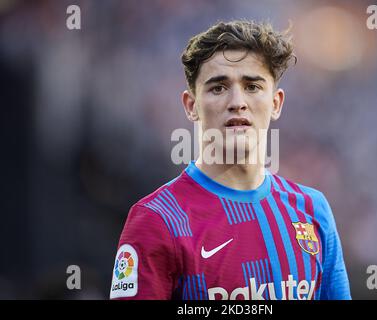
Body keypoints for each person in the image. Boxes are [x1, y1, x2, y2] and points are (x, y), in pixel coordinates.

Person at [109, 20, 351, 300]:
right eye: (218, 88)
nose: (237, 101)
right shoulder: (156, 219)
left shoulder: (313, 211)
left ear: (276, 103)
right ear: (191, 106)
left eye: (252, 86)